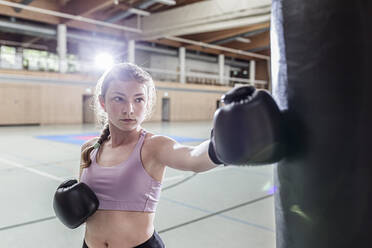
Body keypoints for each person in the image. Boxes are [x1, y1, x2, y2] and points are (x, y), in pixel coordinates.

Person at [79, 63, 220, 248]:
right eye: (119, 99)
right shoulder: (89, 149)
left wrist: (222, 145)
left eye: (138, 99)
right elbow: (84, 208)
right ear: (102, 102)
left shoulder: (153, 146)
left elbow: (193, 158)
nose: (129, 109)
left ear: (147, 104)